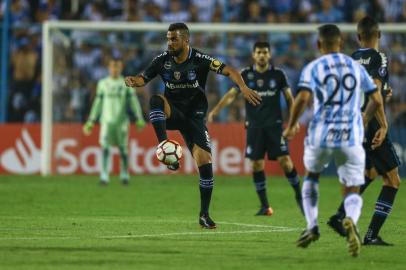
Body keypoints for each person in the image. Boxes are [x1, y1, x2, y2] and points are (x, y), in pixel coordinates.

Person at [125, 23, 261, 229]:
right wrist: (133, 81)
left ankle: (204, 215)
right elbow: (143, 78)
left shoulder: (200, 60)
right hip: (173, 111)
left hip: (195, 118)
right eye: (168, 39)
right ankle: (164, 145)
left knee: (205, 166)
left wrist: (242, 86)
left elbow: (230, 70)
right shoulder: (161, 60)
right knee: (155, 100)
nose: (169, 43)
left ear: (186, 40)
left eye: (174, 39)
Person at [283, 24, 387, 257]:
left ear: (319, 44)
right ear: (341, 43)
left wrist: (291, 125)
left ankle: (312, 225)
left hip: (322, 133)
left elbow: (302, 98)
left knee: (312, 177)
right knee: (352, 188)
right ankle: (350, 219)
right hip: (351, 135)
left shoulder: (314, 67)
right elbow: (377, 99)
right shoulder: (354, 66)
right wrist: (381, 124)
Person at [327, 16, 402, 246]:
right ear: (379, 35)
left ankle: (340, 216)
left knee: (369, 173)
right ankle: (370, 235)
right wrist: (380, 122)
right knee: (392, 180)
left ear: (358, 37)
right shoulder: (379, 57)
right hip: (368, 124)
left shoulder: (350, 60)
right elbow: (375, 95)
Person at [208, 41, 303, 216]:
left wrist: (293, 120)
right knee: (257, 164)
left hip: (274, 125)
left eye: (265, 52)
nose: (262, 55)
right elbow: (231, 95)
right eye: (259, 52)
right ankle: (265, 206)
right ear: (253, 55)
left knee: (285, 162)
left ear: (269, 54)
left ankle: (300, 197)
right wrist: (215, 110)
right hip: (254, 127)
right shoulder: (245, 75)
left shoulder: (278, 74)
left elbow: (289, 98)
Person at [83, 57, 146, 185]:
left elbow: (133, 102)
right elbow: (98, 103)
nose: (114, 69)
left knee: (123, 149)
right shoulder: (102, 83)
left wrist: (139, 117)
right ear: (109, 68)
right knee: (105, 148)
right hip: (106, 121)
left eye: (117, 66)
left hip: (121, 122)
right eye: (112, 66)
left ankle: (124, 174)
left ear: (121, 68)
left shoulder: (127, 83)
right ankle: (104, 175)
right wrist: (91, 120)